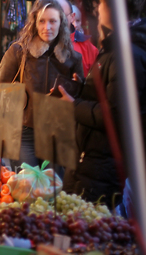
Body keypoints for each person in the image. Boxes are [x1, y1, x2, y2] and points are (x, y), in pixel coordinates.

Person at [60, 0, 146, 208]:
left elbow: (117, 114)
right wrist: (84, 88)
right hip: (90, 161)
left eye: (102, 3)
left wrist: (74, 105)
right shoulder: (115, 48)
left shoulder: (126, 54)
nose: (97, 9)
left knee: (83, 232)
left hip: (102, 167)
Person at [0, 0, 83, 172]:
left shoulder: (73, 58)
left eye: (52, 21)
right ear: (34, 22)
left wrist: (75, 91)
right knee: (27, 188)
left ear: (61, 23)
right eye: (42, 21)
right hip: (23, 132)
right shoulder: (19, 51)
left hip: (57, 133)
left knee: (54, 191)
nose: (47, 27)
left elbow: (79, 98)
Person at [57, 0, 98, 77]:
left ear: (72, 17)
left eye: (63, 16)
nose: (59, 20)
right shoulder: (41, 46)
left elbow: (96, 83)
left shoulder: (89, 48)